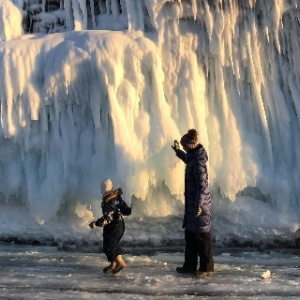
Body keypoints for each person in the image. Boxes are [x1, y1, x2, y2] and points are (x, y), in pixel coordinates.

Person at [171, 129, 214, 277]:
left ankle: (206, 268)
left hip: (199, 206)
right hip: (193, 204)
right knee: (190, 236)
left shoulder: (199, 163)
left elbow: (202, 187)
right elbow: (187, 159)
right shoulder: (194, 158)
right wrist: (177, 152)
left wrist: (199, 206)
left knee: (202, 238)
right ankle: (189, 265)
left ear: (190, 146)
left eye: (184, 147)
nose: (183, 149)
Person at [89, 179, 132, 274]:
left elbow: (107, 218)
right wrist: (131, 209)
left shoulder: (107, 202)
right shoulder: (117, 198)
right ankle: (113, 264)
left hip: (113, 227)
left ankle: (120, 263)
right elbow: (125, 210)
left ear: (103, 190)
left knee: (110, 246)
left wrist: (96, 223)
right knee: (109, 245)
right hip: (120, 225)